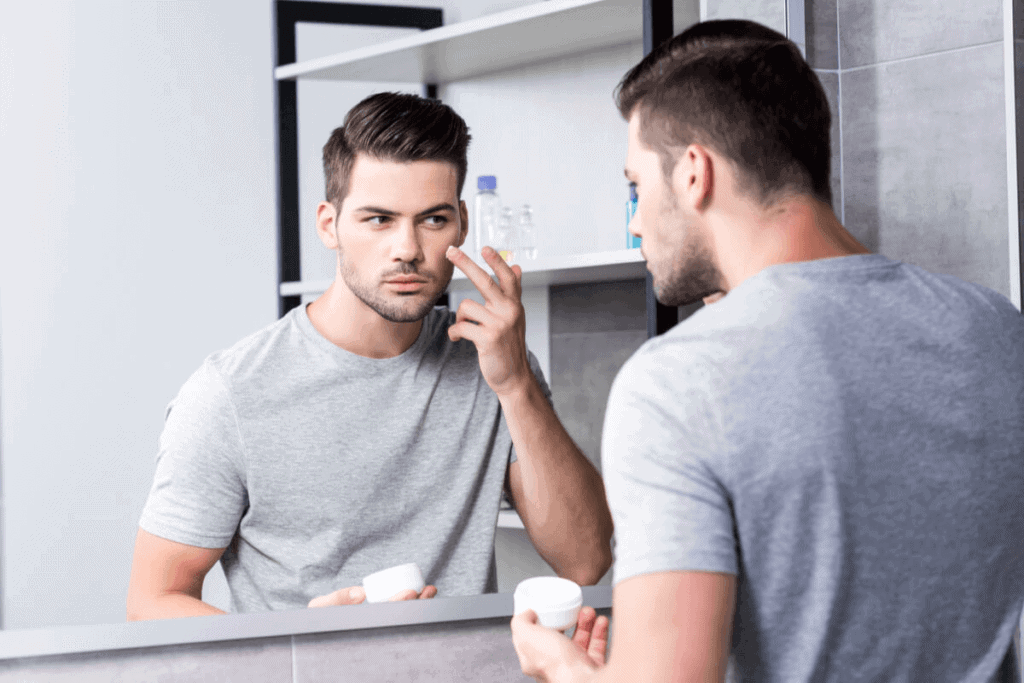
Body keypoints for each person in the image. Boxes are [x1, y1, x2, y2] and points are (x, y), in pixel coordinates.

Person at [511, 19, 1024, 682]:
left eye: (637, 186)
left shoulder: (679, 382)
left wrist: (564, 666)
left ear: (693, 173)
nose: (636, 220)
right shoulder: (995, 329)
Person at [127, 92, 613, 619]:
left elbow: (585, 561)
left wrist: (516, 385)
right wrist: (298, 646)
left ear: (463, 225)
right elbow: (153, 600)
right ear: (328, 225)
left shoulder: (495, 365)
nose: (406, 248)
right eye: (378, 219)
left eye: (432, 220)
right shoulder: (230, 393)